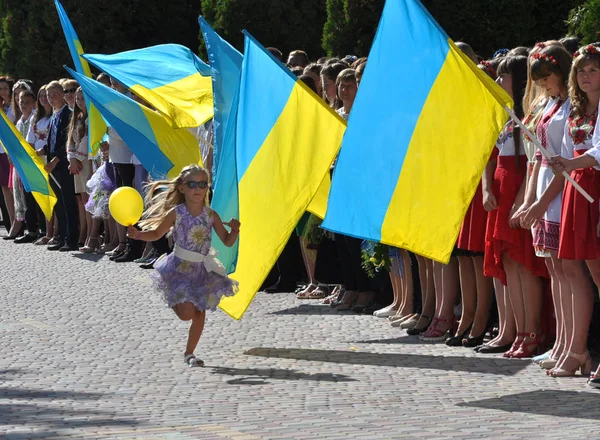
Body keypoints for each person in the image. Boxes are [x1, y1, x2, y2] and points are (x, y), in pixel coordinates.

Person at [128, 164, 240, 367]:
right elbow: (156, 234)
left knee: (199, 312)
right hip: (179, 268)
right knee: (186, 314)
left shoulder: (211, 215)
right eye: (192, 184)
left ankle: (190, 353)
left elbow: (227, 241)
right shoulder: (176, 213)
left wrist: (234, 231)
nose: (198, 188)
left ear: (207, 188)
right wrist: (138, 235)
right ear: (182, 188)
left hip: (202, 271)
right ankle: (173, 298)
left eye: (202, 184)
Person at [44, 80, 78, 251]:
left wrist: (55, 160)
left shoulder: (68, 114)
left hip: (63, 165)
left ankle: (71, 239)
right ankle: (61, 236)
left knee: (68, 202)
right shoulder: (55, 114)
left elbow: (65, 142)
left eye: (55, 95)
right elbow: (52, 141)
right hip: (53, 166)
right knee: (59, 203)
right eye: (49, 95)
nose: (51, 98)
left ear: (62, 96)